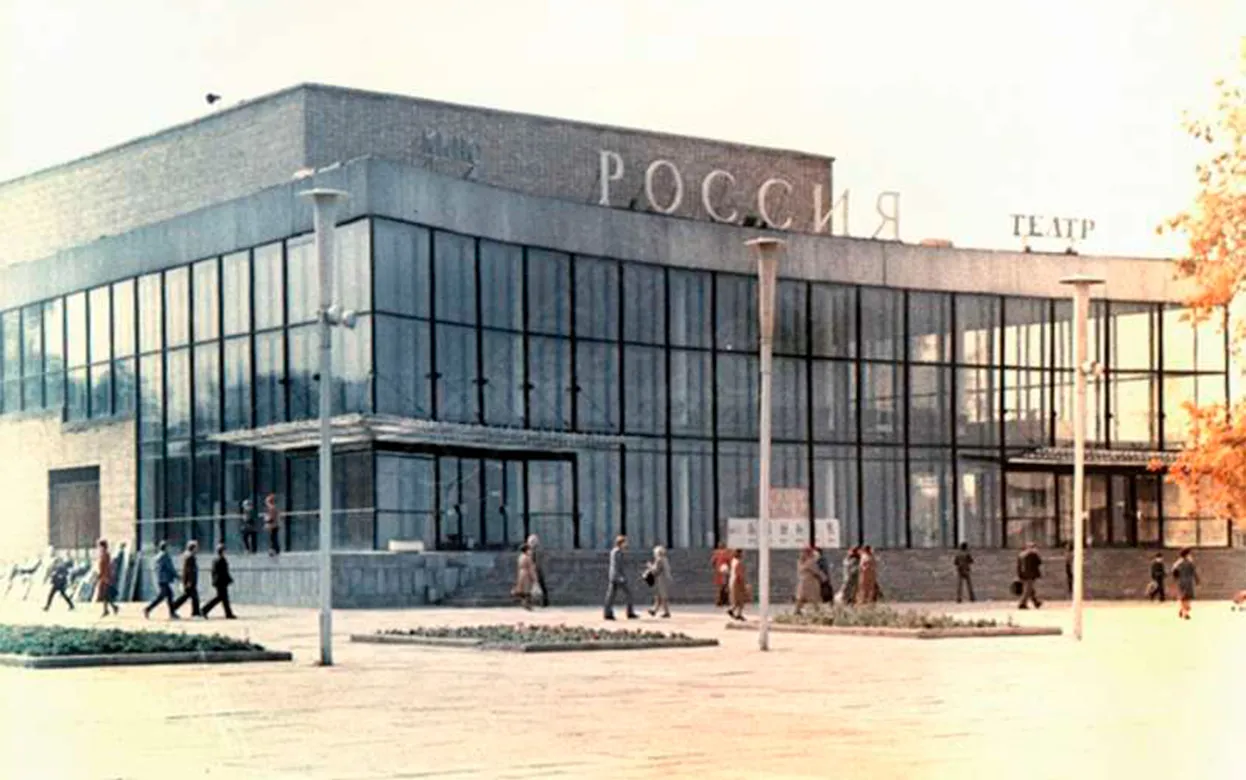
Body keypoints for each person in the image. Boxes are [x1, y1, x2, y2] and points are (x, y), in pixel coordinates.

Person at [603, 535, 638, 620]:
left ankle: (608, 613)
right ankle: (629, 613)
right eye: (625, 542)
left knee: (611, 596)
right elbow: (616, 565)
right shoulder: (617, 552)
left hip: (614, 576)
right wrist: (620, 577)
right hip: (617, 577)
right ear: (621, 543)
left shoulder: (615, 551)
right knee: (628, 594)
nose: (626, 544)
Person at [144, 541, 180, 619]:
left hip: (160, 579)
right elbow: (170, 567)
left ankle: (172, 613)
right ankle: (148, 609)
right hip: (164, 579)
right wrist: (177, 576)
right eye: (168, 547)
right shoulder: (165, 556)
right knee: (162, 596)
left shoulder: (157, 556)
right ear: (166, 547)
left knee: (169, 595)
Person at [201, 544, 237, 619]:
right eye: (224, 550)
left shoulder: (215, 560)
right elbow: (224, 572)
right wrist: (229, 579)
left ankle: (228, 613)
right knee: (220, 597)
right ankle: (204, 610)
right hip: (221, 582)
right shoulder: (221, 560)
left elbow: (213, 572)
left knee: (224, 598)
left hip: (218, 581)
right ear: (222, 551)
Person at [170, 540, 202, 618]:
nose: (197, 549)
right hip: (190, 581)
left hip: (189, 581)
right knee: (194, 597)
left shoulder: (188, 556)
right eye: (196, 547)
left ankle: (173, 607)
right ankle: (195, 613)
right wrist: (189, 581)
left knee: (187, 597)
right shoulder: (190, 557)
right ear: (193, 548)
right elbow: (189, 570)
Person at [794, 546, 825, 615]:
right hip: (810, 582)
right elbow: (816, 571)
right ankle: (818, 611)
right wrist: (824, 578)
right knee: (814, 598)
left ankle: (797, 611)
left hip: (802, 582)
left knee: (801, 597)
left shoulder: (800, 561)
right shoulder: (810, 561)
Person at [646, 545, 673, 618]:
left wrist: (649, 566)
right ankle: (654, 610)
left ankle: (666, 612)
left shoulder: (659, 560)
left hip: (661, 580)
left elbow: (655, 571)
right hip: (666, 579)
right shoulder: (665, 559)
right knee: (659, 596)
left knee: (663, 596)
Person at [1173, 548, 1199, 620]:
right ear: (1187, 555)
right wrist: (1197, 580)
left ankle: (1182, 609)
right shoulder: (1190, 563)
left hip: (1181, 582)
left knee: (1183, 597)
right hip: (1188, 582)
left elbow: (1174, 573)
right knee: (1187, 598)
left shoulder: (1177, 563)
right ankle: (1186, 613)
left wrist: (1176, 579)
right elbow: (1194, 572)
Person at [96, 539, 120, 617]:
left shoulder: (106, 555)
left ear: (103, 546)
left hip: (105, 577)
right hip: (102, 576)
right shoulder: (102, 554)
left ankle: (108, 610)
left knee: (105, 594)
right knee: (105, 594)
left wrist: (106, 577)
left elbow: (107, 567)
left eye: (100, 546)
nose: (99, 547)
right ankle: (113, 608)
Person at [1016, 541, 1044, 610]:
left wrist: (1019, 574)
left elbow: (1018, 566)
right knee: (1028, 589)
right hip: (1031, 574)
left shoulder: (1021, 554)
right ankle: (1022, 603)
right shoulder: (1033, 554)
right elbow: (1039, 562)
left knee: (1030, 589)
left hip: (1023, 574)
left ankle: (1036, 602)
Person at [526, 534, 549, 608]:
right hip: (534, 570)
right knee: (532, 586)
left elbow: (537, 561)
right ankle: (530, 602)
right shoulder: (531, 551)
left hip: (537, 570)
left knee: (541, 585)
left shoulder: (536, 551)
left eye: (533, 541)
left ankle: (544, 602)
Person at [512, 543, 537, 610]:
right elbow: (530, 568)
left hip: (521, 573)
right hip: (526, 574)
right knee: (527, 590)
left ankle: (524, 602)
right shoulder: (527, 557)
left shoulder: (520, 557)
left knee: (522, 589)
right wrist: (534, 578)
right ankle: (527, 604)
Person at [727, 549, 749, 621]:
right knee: (740, 599)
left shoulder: (733, 561)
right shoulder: (738, 563)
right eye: (742, 553)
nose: (743, 555)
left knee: (738, 600)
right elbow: (739, 574)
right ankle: (736, 612)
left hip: (733, 581)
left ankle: (734, 611)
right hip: (737, 582)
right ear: (739, 554)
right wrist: (743, 584)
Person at [710, 542, 733, 608]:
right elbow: (730, 561)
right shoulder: (728, 552)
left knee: (721, 587)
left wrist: (716, 567)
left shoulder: (716, 553)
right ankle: (724, 601)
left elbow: (712, 562)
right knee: (725, 586)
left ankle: (721, 601)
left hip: (719, 571)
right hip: (726, 571)